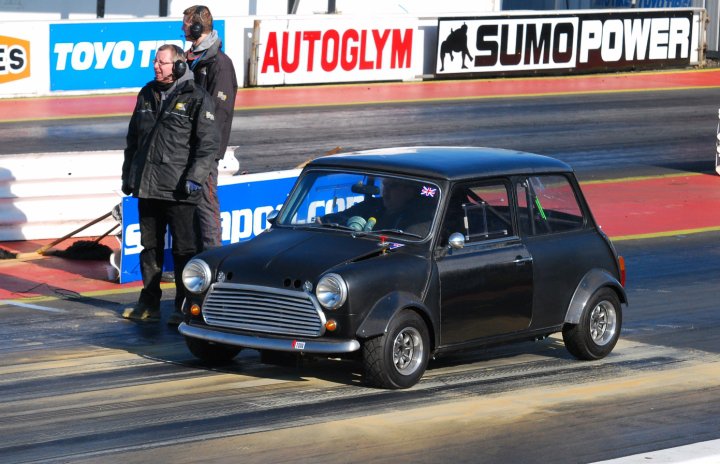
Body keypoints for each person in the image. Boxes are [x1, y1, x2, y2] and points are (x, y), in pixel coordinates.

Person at [121, 44, 219, 322]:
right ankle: (149, 302)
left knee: (184, 251)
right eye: (155, 61)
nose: (156, 66)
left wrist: (194, 179)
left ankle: (184, 305)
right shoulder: (146, 93)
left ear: (178, 66)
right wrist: (128, 176)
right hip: (148, 187)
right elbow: (133, 141)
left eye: (162, 63)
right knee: (149, 247)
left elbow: (208, 145)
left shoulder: (198, 98)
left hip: (179, 190)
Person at [182, 5, 238, 252]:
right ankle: (193, 259)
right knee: (188, 207)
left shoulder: (220, 64)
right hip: (186, 145)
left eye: (185, 23)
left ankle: (212, 259)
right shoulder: (192, 60)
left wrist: (206, 150)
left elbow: (219, 113)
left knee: (206, 206)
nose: (182, 28)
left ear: (196, 27)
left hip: (204, 149)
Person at [318, 178, 434, 235]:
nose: (386, 191)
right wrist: (347, 223)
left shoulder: (419, 220)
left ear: (409, 192)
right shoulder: (373, 205)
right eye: (384, 185)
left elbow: (404, 249)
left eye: (392, 186)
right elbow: (332, 218)